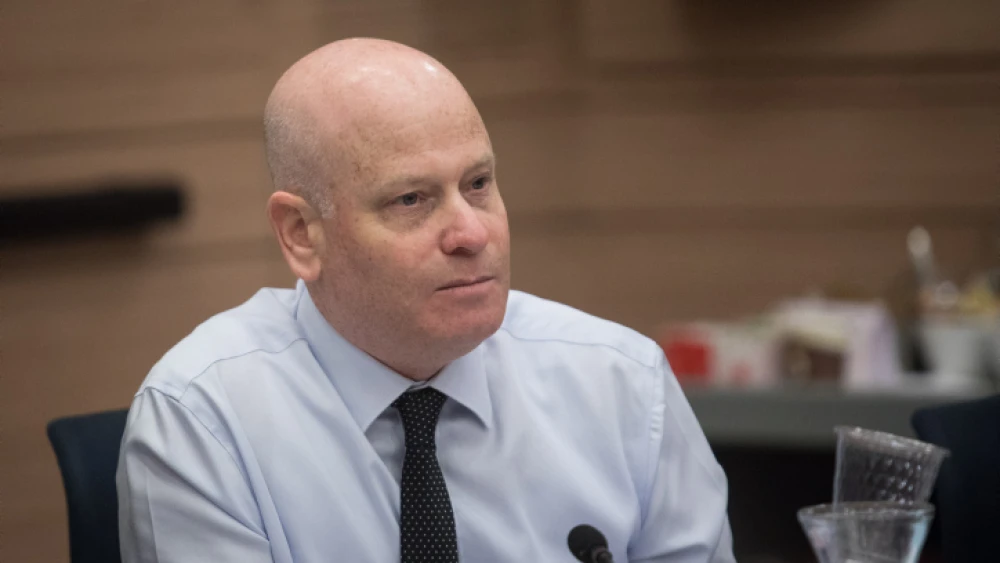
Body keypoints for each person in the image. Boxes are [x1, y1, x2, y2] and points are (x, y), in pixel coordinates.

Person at [117, 38, 735, 563]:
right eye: (410, 200)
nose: (472, 234)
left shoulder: (623, 385)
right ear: (303, 234)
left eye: (478, 184)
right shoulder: (205, 421)